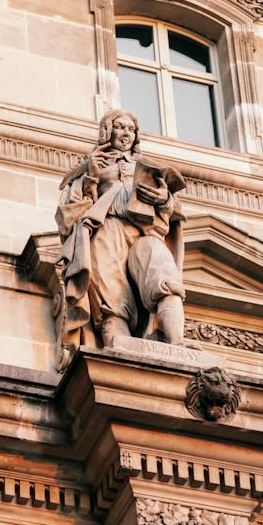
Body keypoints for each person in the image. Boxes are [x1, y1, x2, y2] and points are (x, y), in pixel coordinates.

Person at [53, 110, 186, 368]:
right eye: (120, 127)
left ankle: (177, 342)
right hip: (106, 231)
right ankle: (119, 357)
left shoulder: (148, 168)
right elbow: (69, 214)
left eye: (131, 129)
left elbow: (175, 213)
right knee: (113, 301)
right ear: (107, 131)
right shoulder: (91, 166)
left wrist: (165, 199)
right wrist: (91, 175)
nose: (126, 134)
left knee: (164, 277)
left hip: (145, 232)